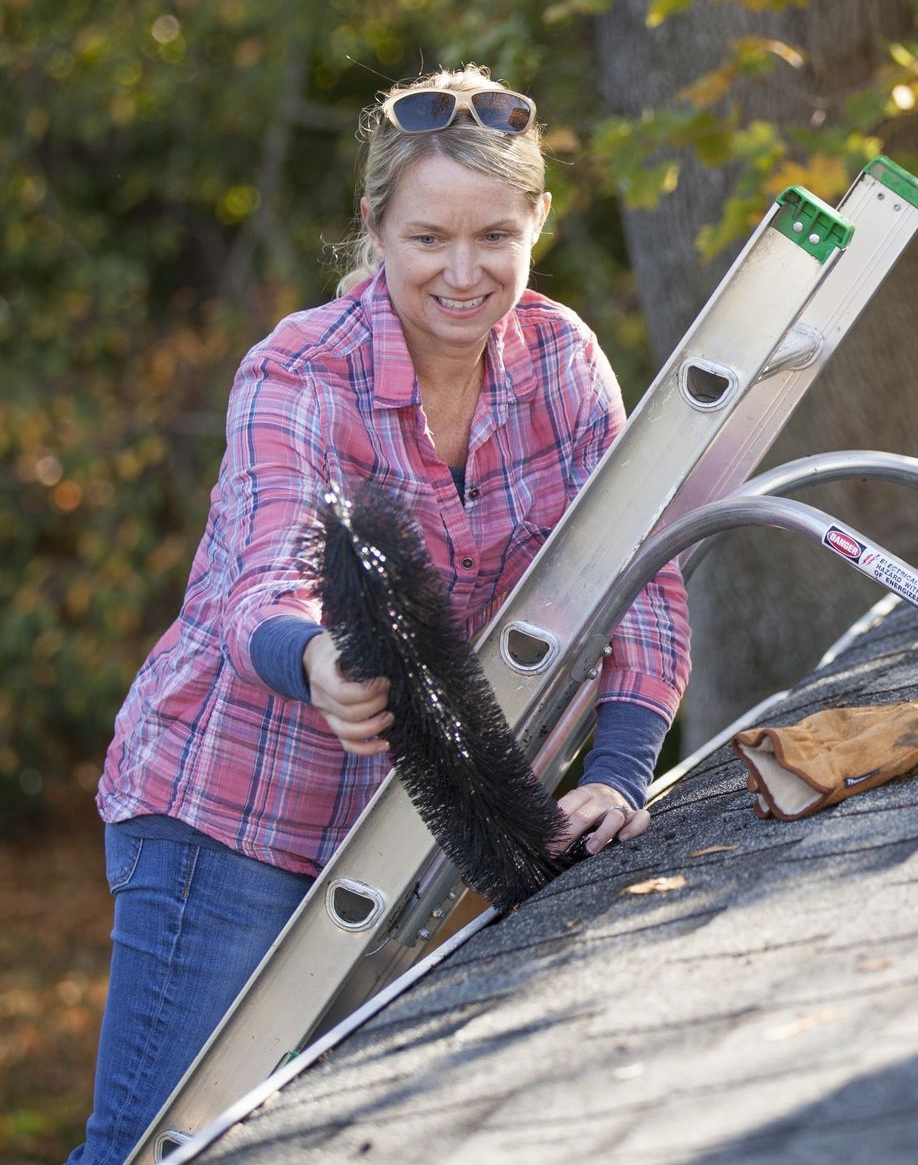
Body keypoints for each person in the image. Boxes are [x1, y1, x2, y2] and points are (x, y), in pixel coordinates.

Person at [69, 65, 690, 1164]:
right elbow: (269, 566)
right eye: (427, 240)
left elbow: (635, 564)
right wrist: (313, 659)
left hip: (409, 838)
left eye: (495, 236)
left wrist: (623, 763)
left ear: (536, 220)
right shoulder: (298, 373)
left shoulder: (560, 360)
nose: (465, 273)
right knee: (157, 1148)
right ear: (373, 229)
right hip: (228, 816)